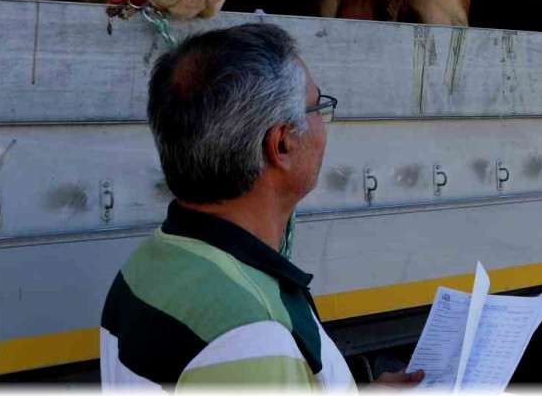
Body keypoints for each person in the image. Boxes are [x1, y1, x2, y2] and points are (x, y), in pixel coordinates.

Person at [99, 23, 423, 389]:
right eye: (317, 107)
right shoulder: (250, 333)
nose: (322, 123)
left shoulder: (150, 263)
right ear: (281, 144)